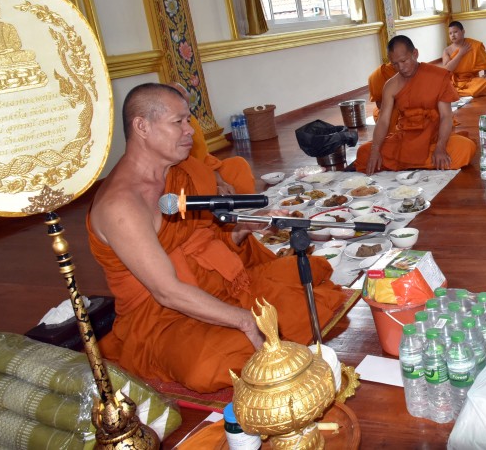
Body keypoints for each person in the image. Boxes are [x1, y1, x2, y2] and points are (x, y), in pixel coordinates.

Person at [88, 84, 347, 392]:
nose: (190, 131)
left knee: (312, 274)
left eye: (188, 120)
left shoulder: (184, 172)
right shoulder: (121, 206)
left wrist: (243, 227)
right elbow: (167, 292)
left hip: (221, 286)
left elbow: (207, 241)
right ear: (142, 127)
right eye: (178, 122)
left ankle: (260, 335)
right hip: (164, 317)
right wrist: (246, 321)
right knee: (207, 365)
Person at [355, 35, 476, 174]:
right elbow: (383, 121)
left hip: (435, 137)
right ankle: (423, 163)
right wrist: (375, 150)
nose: (401, 68)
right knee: (363, 153)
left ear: (415, 54)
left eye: (404, 61)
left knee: (466, 148)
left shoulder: (438, 76)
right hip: (406, 139)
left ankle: (410, 163)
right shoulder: (391, 85)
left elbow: (446, 117)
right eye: (395, 64)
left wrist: (441, 147)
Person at [169, 82, 256, 195]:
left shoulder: (191, 121)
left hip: (204, 170)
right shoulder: (165, 130)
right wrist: (212, 184)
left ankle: (246, 204)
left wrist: (219, 182)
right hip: (185, 180)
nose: (190, 130)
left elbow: (203, 157)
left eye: (188, 108)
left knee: (238, 165)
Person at [441, 21, 486, 97]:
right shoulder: (447, 50)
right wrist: (460, 54)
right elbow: (447, 70)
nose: (453, 35)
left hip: (472, 80)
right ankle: (464, 92)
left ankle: (457, 93)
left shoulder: (474, 45)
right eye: (450, 33)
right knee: (441, 85)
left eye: (455, 32)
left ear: (463, 32)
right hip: (455, 81)